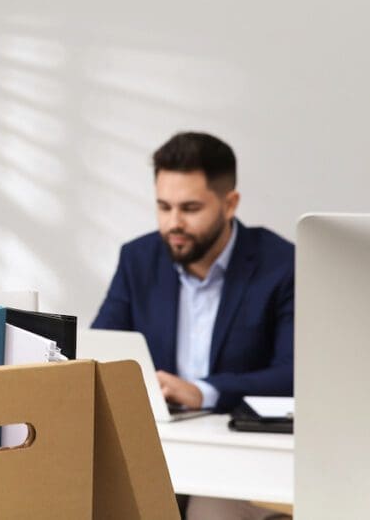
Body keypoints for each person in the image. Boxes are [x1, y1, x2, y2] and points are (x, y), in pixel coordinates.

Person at [92, 132, 294, 520]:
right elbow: (101, 348)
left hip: (235, 452)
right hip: (156, 441)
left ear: (229, 203)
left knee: (210, 510)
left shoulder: (281, 265)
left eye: (190, 208)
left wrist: (203, 392)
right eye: (163, 207)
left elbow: (293, 374)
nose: (173, 224)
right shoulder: (138, 258)